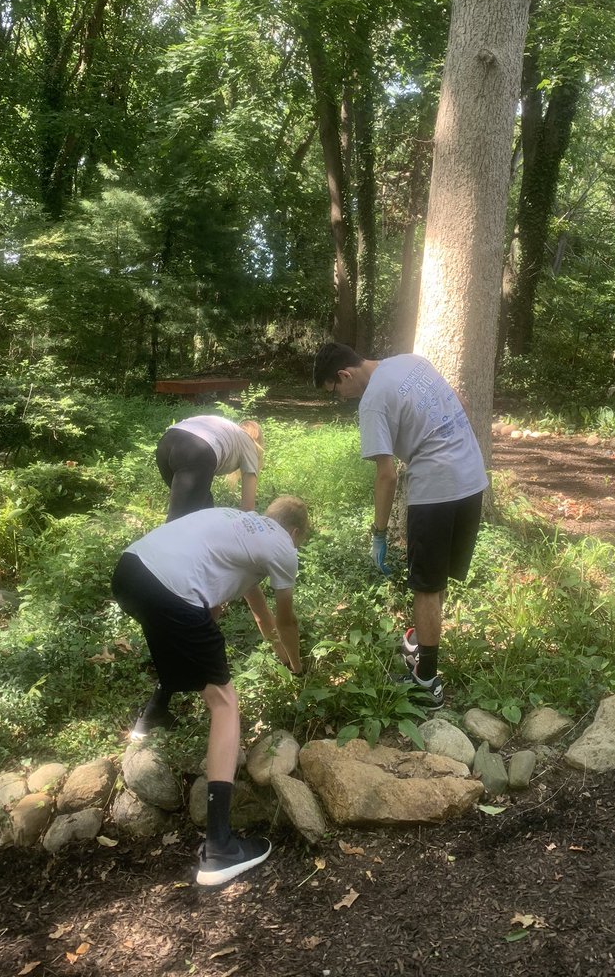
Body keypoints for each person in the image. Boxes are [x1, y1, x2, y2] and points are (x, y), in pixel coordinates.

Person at [112, 496, 308, 887]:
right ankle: (220, 848)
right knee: (224, 703)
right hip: (172, 589)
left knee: (185, 638)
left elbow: (259, 615)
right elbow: (286, 622)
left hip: (131, 572)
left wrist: (279, 657)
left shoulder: (238, 527)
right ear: (295, 533)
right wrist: (298, 668)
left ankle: (151, 717)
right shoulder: (283, 548)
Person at [313, 343, 487, 708]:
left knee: (425, 586)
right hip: (472, 478)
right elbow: (462, 404)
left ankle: (426, 682)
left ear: (344, 374)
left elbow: (387, 475)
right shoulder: (412, 361)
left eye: (335, 390)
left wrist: (378, 533)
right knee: (436, 579)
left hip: (436, 490)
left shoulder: (372, 401)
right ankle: (421, 643)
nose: (340, 398)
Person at [156, 415, 264, 521]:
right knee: (182, 521)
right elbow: (248, 507)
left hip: (167, 441)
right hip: (196, 450)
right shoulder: (250, 445)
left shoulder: (228, 430)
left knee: (204, 507)